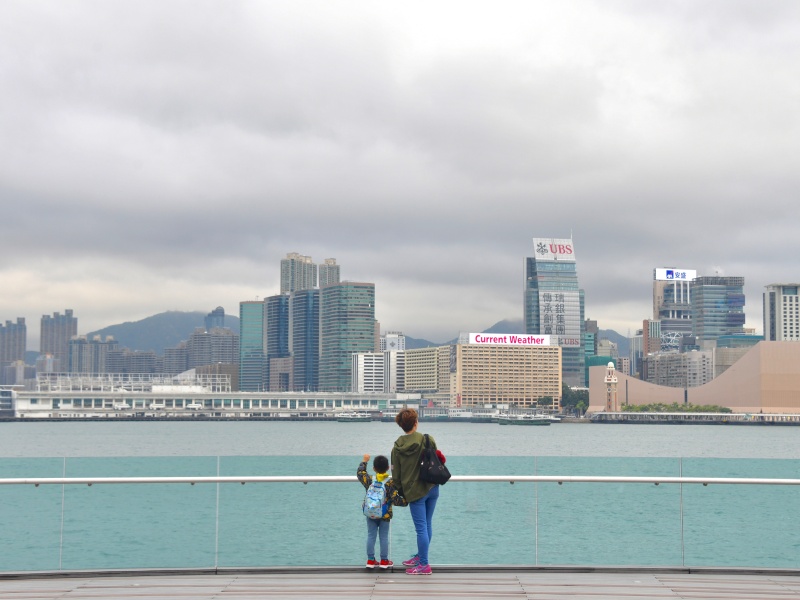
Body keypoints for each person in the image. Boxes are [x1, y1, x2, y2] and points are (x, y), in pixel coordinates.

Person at [391, 408, 440, 575]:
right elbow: (436, 458)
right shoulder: (427, 439)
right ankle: (421, 557)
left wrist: (400, 491)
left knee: (421, 528)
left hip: (415, 491)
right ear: (416, 422)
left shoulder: (397, 446)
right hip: (432, 486)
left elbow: (396, 475)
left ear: (401, 426)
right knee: (427, 525)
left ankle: (424, 564)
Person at [357, 453, 407, 569]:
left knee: (371, 536)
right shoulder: (390, 483)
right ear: (388, 468)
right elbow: (396, 499)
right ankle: (384, 561)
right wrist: (406, 501)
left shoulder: (370, 480)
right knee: (383, 537)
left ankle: (370, 560)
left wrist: (364, 461)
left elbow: (360, 474)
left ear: (374, 469)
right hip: (385, 514)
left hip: (370, 513)